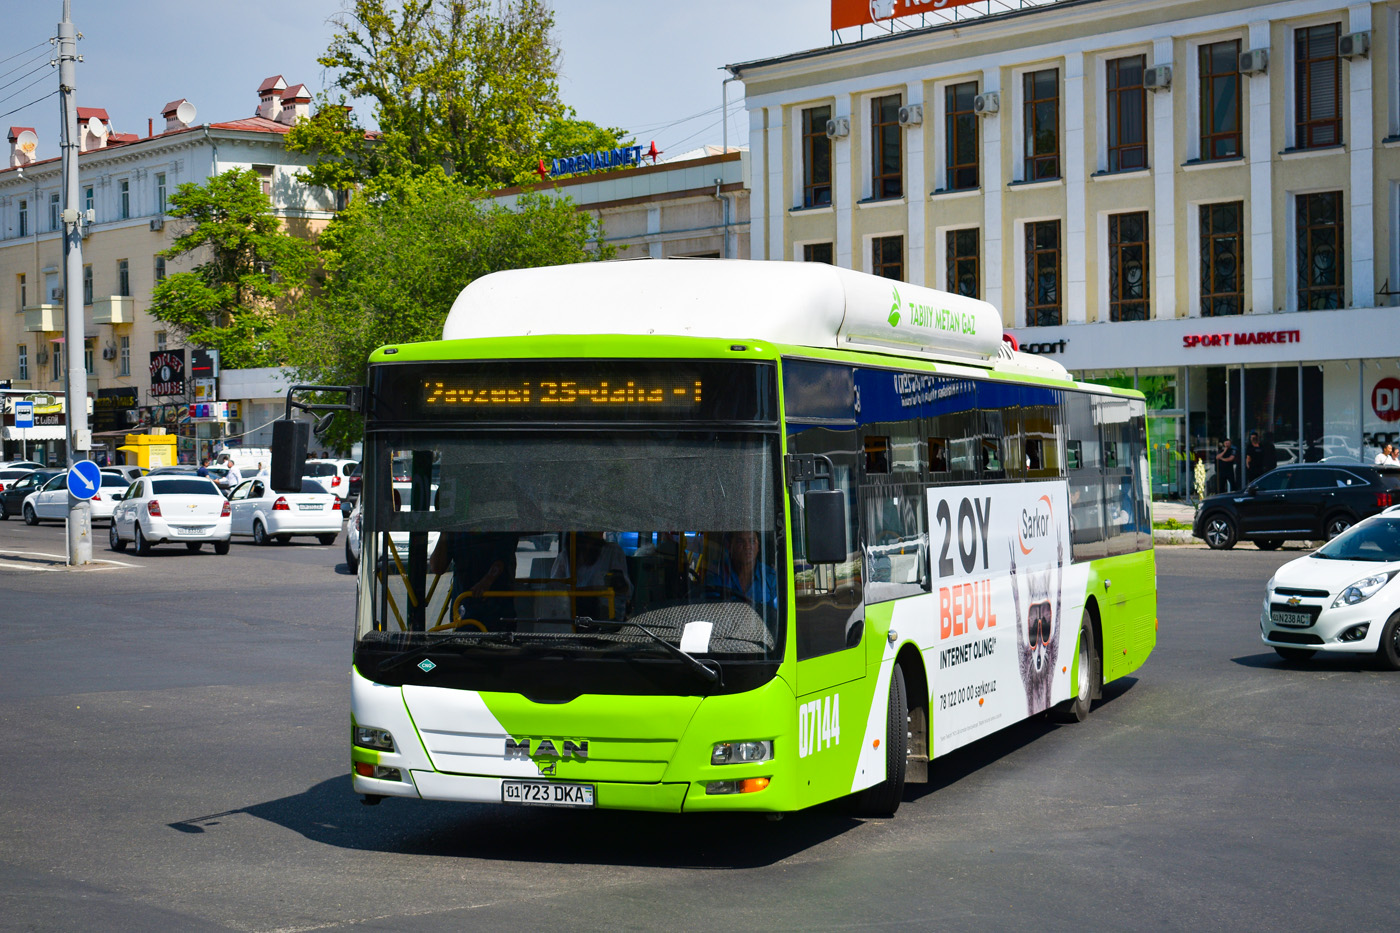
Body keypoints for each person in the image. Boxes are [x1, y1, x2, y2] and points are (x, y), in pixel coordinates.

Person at [428, 531, 520, 630]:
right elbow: (437, 567)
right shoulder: (455, 532)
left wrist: (485, 583)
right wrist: (445, 532)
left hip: (496, 608)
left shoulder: (501, 526)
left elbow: (503, 558)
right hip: (463, 607)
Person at [548, 532, 631, 620]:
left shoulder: (612, 551)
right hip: (571, 615)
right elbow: (553, 589)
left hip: (604, 616)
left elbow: (624, 590)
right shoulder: (565, 556)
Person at [705, 530, 778, 611]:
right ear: (729, 546)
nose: (747, 546)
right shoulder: (717, 571)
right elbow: (711, 608)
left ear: (758, 547)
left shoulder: (770, 577)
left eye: (752, 541)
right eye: (740, 541)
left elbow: (775, 613)